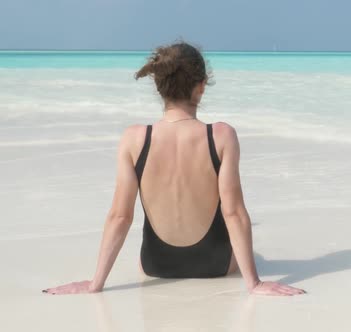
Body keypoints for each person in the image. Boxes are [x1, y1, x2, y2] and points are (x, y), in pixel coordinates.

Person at [43, 42, 305, 296]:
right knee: (243, 244)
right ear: (201, 87)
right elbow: (234, 212)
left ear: (159, 87)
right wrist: (254, 284)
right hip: (216, 265)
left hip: (156, 265)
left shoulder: (134, 139)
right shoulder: (222, 136)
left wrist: (95, 283)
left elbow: (119, 217)